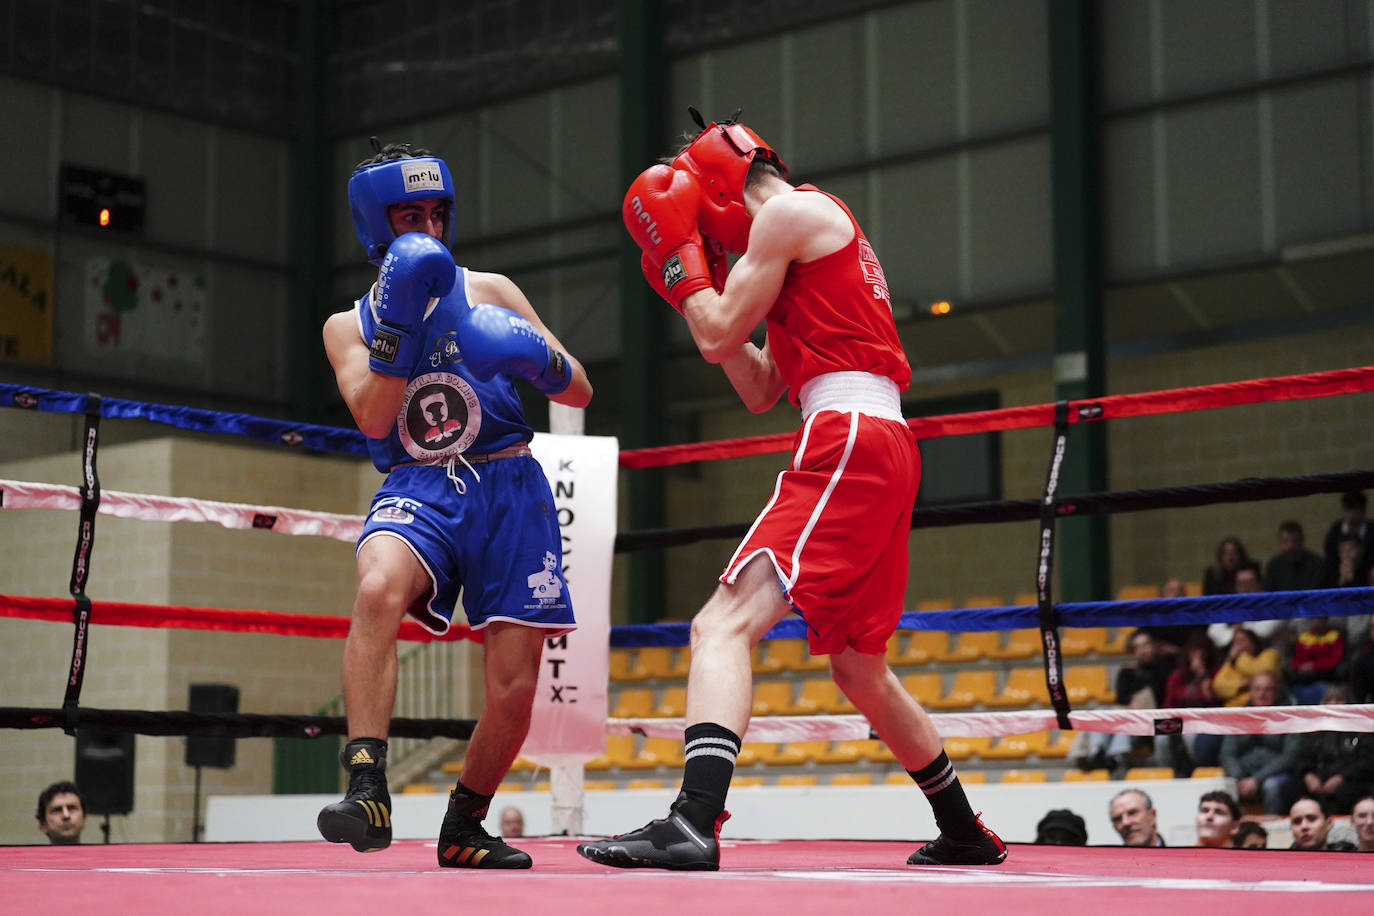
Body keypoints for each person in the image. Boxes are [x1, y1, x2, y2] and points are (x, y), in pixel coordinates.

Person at [577, 110, 1005, 871]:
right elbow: (758, 384)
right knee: (857, 666)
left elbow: (715, 332)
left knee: (720, 626)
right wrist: (695, 287)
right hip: (876, 441)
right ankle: (964, 828)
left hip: (849, 435)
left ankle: (692, 821)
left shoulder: (789, 214)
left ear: (716, 188)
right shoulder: (797, 250)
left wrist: (682, 269)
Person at [316, 140, 593, 869]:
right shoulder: (347, 326)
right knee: (377, 586)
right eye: (411, 216)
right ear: (376, 223)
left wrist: (531, 355)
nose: (430, 228)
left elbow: (580, 387)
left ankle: (465, 824)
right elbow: (375, 417)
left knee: (515, 688)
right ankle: (367, 788)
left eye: (438, 213)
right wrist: (401, 325)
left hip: (510, 485)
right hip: (420, 486)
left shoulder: (490, 289)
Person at [1284, 684, 1374, 814]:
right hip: (1319, 777)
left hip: (1350, 779)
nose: (1333, 704)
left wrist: (1341, 778)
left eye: (1339, 700)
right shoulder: (1314, 728)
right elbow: (1301, 757)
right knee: (1289, 789)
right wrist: (1308, 775)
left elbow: (1366, 762)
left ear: (1350, 703)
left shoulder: (1361, 729)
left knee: (1347, 792)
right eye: (1329, 700)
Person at [1217, 671, 1298, 814]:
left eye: (1267, 689)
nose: (1262, 694)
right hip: (1242, 775)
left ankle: (1273, 825)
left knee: (1272, 786)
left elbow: (1289, 756)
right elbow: (1227, 753)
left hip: (1274, 775)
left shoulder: (1288, 718)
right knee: (1221, 784)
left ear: (1276, 693)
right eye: (1257, 689)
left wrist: (1256, 779)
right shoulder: (1239, 717)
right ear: (1250, 692)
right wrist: (1239, 778)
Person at [1212, 628, 1282, 708]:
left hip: (1263, 706)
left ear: (1252, 642)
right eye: (1235, 642)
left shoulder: (1269, 654)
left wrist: (1239, 658)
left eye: (1241, 640)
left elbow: (1262, 672)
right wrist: (1241, 685)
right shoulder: (1231, 664)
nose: (1238, 646)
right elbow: (1219, 686)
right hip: (1234, 710)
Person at [1287, 616, 1345, 705]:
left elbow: (1335, 660)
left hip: (1326, 676)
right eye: (1313, 619)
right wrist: (1301, 667)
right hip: (1305, 677)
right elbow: (1296, 662)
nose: (1316, 622)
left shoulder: (1334, 636)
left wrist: (1314, 665)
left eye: (1320, 619)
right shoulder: (1304, 637)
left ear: (1326, 620)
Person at [1322, 491, 1374, 586]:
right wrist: (1340, 577)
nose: (1352, 514)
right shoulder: (1335, 532)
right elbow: (1329, 562)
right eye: (1349, 509)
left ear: (1363, 510)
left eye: (1356, 509)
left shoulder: (1372, 531)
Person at [1262, 520, 1325, 592]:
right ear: (1279, 541)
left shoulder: (1316, 563)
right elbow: (1270, 593)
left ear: (1302, 540)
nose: (1290, 546)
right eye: (1285, 541)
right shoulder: (1274, 566)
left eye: (1294, 541)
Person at [1288, 795, 1357, 851]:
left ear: (1328, 823)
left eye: (1311, 819)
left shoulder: (1350, 854)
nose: (1304, 826)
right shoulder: (1283, 860)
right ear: (1291, 828)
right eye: (1297, 821)